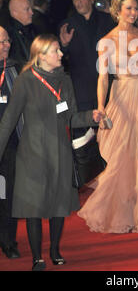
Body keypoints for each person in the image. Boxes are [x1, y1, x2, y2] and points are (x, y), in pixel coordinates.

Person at [0, 34, 101, 270]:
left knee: (59, 205)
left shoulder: (65, 80)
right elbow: (9, 120)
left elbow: (72, 117)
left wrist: (91, 116)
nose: (61, 54)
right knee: (33, 207)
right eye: (56, 50)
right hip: (32, 154)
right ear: (42, 55)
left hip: (60, 152)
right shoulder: (25, 81)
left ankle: (55, 250)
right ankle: (37, 257)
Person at [78, 0, 138, 234]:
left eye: (135, 8)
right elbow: (103, 78)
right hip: (120, 97)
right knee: (120, 156)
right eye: (128, 8)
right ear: (116, 10)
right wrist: (101, 107)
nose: (133, 13)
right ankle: (122, 207)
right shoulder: (106, 41)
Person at [59, 0, 114, 113]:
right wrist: (64, 44)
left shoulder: (107, 20)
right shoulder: (67, 25)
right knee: (86, 128)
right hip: (81, 87)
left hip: (107, 83)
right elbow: (60, 57)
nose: (79, 2)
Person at [0, 26, 22, 260]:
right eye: (1, 42)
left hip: (11, 145)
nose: (6, 45)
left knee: (7, 194)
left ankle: (8, 241)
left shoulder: (15, 68)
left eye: (7, 41)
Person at [6, 0, 37, 71]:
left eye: (31, 9)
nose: (32, 13)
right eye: (27, 9)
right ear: (15, 13)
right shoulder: (9, 35)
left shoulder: (29, 29)